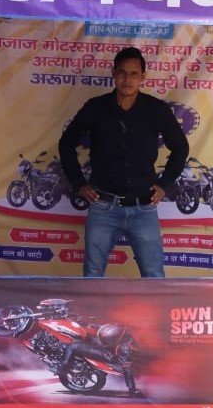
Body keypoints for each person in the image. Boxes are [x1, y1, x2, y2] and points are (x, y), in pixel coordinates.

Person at [59, 46, 189, 277]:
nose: (127, 79)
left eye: (134, 74)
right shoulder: (96, 107)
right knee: (92, 275)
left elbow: (180, 148)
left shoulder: (156, 109)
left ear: (143, 77)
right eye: (122, 73)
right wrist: (80, 184)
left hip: (144, 207)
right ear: (113, 73)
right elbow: (66, 144)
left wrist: (165, 184)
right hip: (103, 206)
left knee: (154, 276)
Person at [57, 323, 141, 397]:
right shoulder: (120, 330)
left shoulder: (126, 349)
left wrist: (131, 389)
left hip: (109, 355)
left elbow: (127, 368)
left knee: (73, 346)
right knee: (84, 335)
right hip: (110, 346)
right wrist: (90, 325)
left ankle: (62, 371)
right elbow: (107, 329)